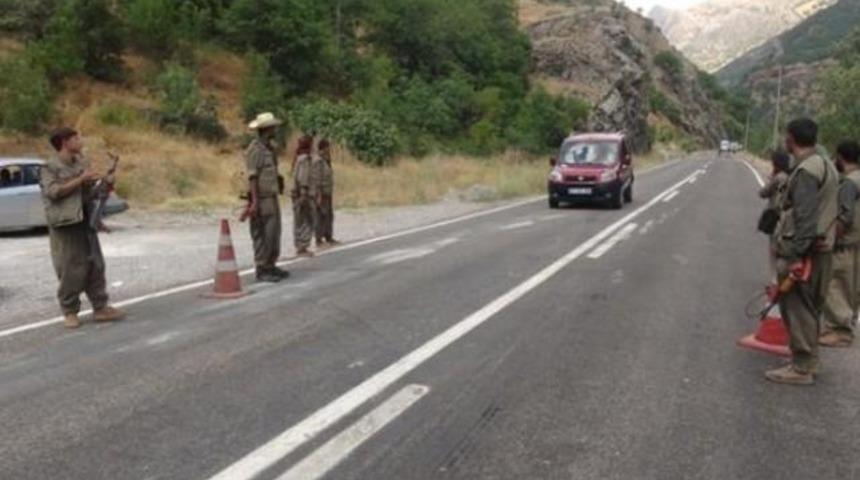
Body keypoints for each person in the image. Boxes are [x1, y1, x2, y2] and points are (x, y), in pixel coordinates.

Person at [768, 118, 839, 385]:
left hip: (804, 253)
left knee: (797, 308)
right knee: (810, 308)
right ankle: (809, 360)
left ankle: (801, 367)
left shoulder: (806, 172)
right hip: (821, 250)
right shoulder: (826, 165)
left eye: (786, 136)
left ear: (791, 139)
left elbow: (805, 217)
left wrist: (797, 257)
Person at [40, 127, 125, 329]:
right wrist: (80, 179)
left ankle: (100, 307)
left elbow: (89, 195)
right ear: (64, 142)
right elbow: (53, 192)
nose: (81, 141)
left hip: (85, 220)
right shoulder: (50, 167)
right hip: (65, 224)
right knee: (71, 268)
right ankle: (69, 311)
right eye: (76, 138)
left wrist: (105, 183)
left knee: (95, 265)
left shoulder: (81, 163)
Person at [821, 141, 860, 348]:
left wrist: (831, 240)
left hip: (845, 244)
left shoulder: (848, 184)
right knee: (852, 287)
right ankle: (846, 323)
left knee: (834, 285)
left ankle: (839, 331)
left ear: (840, 157)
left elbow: (844, 217)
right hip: (858, 243)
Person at [244, 112, 289, 283]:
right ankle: (262, 268)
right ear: (266, 129)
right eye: (272, 127)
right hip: (261, 198)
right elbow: (252, 177)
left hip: (271, 196)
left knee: (273, 233)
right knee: (262, 234)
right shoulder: (255, 150)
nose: (275, 129)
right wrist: (254, 201)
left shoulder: (270, 148)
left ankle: (270, 265)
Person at [760, 150, 791, 275]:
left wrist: (771, 177)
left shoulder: (778, 177)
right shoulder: (791, 176)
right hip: (789, 218)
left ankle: (774, 278)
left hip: (776, 216)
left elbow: (763, 192)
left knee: (774, 248)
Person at [312, 139, 338, 247]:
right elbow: (317, 179)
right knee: (320, 216)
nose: (329, 150)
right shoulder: (318, 161)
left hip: (328, 192)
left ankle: (329, 236)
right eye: (327, 147)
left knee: (328, 215)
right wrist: (318, 195)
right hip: (321, 193)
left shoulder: (326, 160)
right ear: (323, 148)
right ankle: (318, 239)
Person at [292, 135, 315, 257]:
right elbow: (303, 178)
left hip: (296, 194)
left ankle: (299, 245)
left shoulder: (298, 158)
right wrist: (304, 194)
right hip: (303, 194)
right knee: (306, 220)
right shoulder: (305, 159)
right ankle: (302, 247)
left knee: (298, 220)